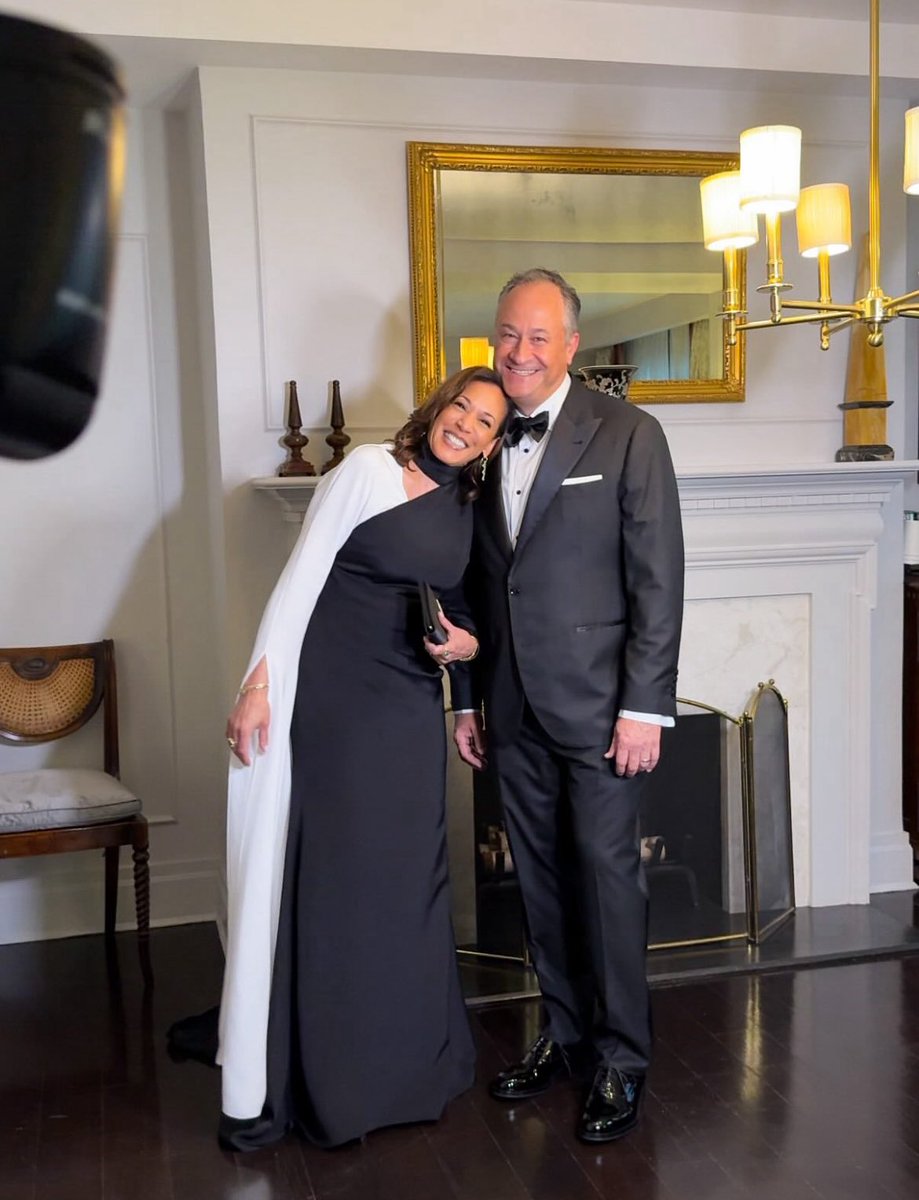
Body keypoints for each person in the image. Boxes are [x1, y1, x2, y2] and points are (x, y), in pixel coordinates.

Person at [211, 366, 510, 1150]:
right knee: (342, 876)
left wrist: (465, 647)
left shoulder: (469, 508)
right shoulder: (366, 470)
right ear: (438, 407)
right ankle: (326, 1074)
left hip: (410, 705)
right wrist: (258, 686)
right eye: (462, 409)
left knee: (406, 875)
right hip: (335, 703)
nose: (467, 426)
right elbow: (298, 581)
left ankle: (407, 1065)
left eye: (485, 423)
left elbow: (473, 616)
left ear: (489, 444)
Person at [451, 269, 684, 1144]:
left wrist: (644, 709)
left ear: (571, 346)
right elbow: (470, 582)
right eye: (507, 334)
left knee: (608, 885)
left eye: (537, 337)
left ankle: (622, 1061)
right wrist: (465, 702)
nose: (518, 351)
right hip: (508, 709)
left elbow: (658, 580)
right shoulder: (477, 438)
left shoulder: (628, 434)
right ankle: (565, 1033)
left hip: (600, 712)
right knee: (539, 887)